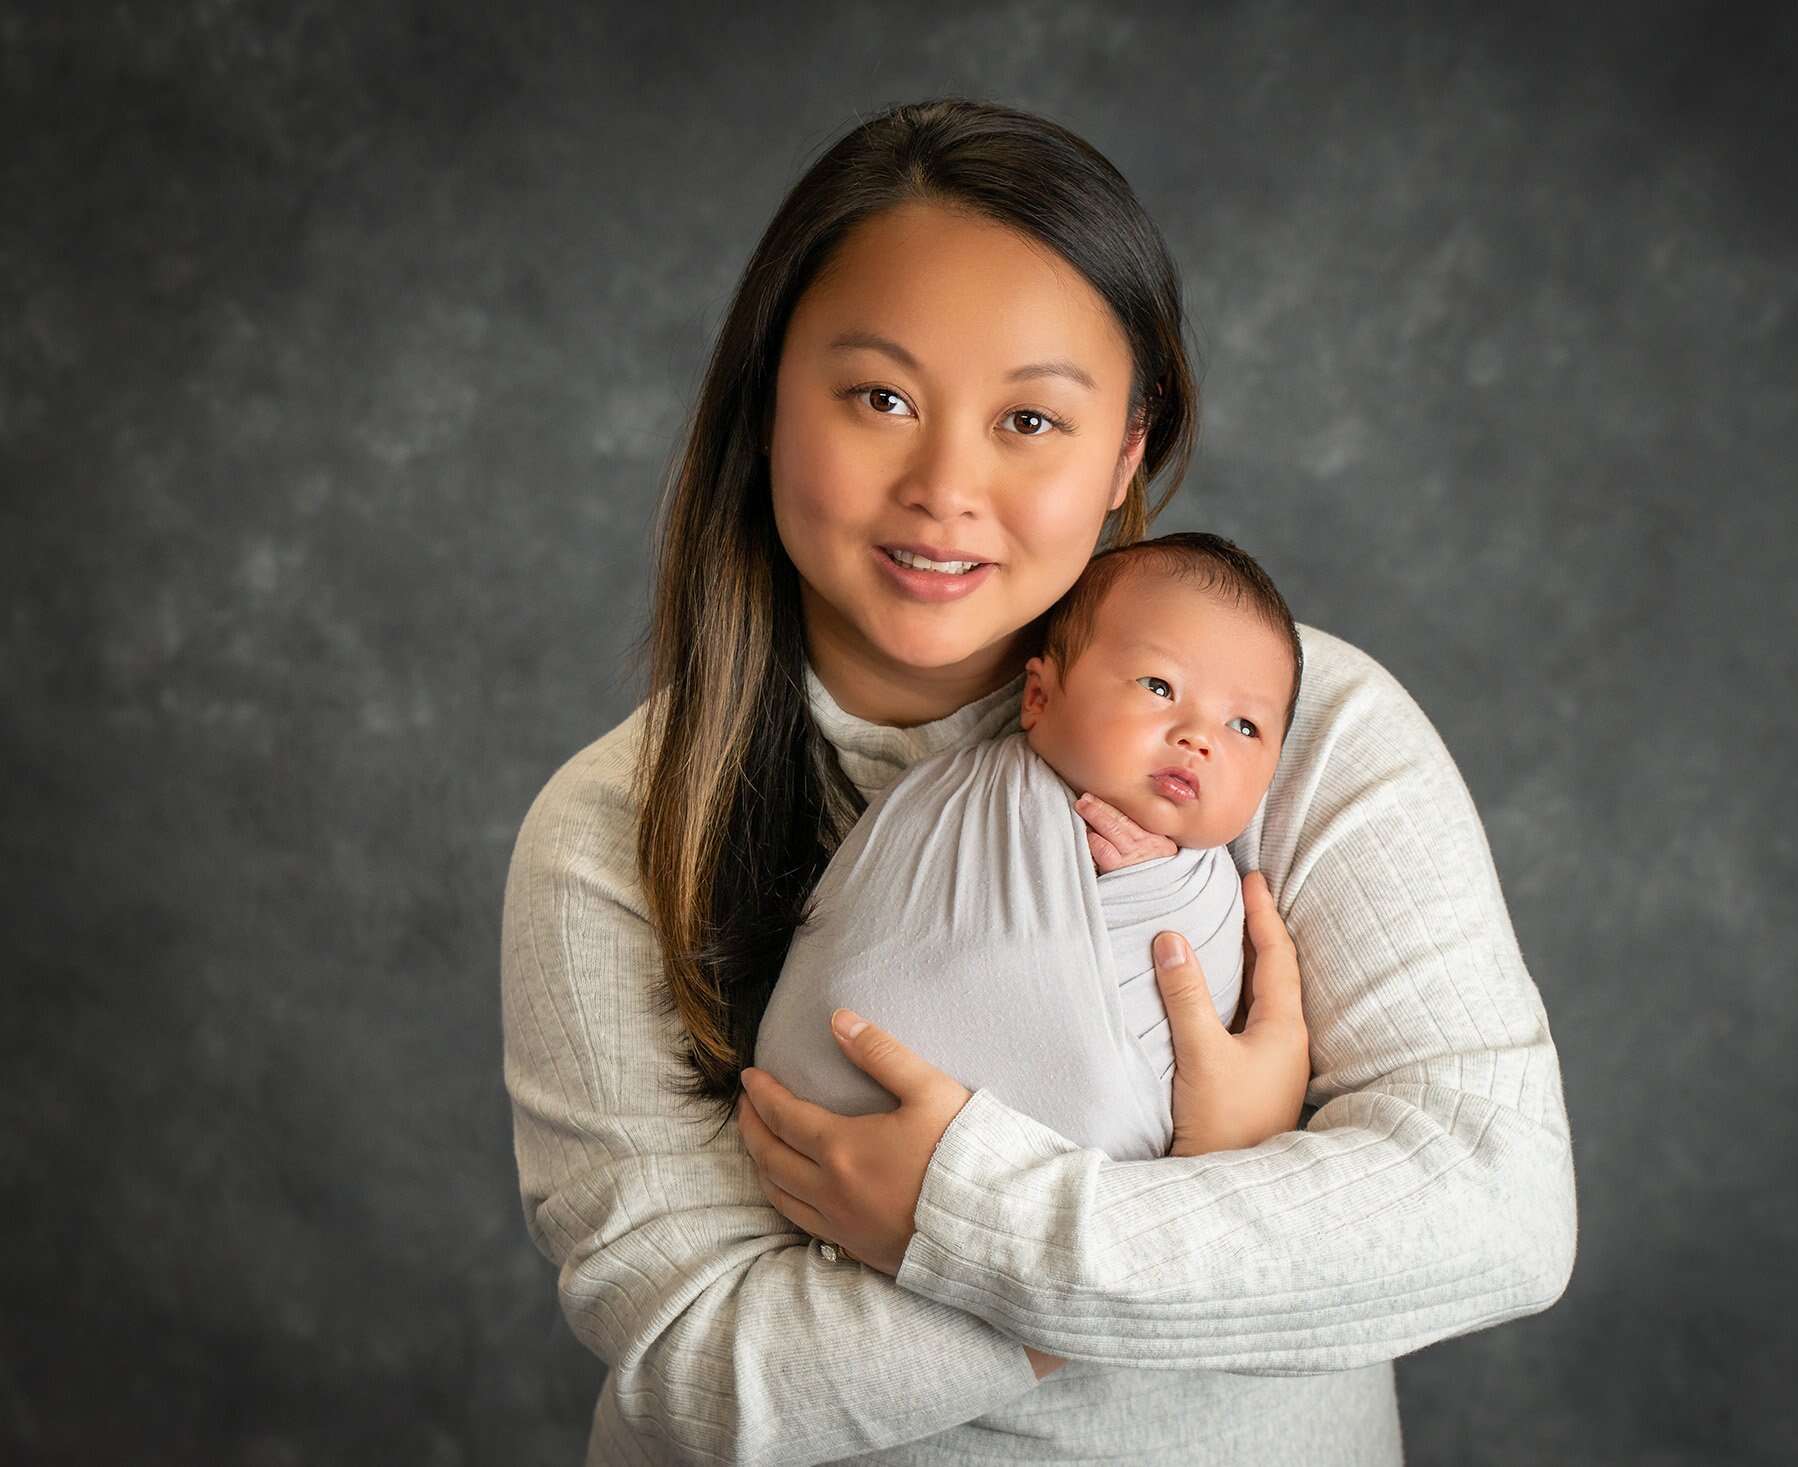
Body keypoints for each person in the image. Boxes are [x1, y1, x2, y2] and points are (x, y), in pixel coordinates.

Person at [500, 97, 1577, 1466]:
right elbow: (712, 1383)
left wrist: (976, 1225)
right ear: (767, 399)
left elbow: (1499, 1208)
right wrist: (1193, 1199)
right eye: (880, 397)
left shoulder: (1292, 730)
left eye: (1029, 418)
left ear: (1128, 450)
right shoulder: (616, 829)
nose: (947, 487)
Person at [754, 531, 1309, 1169]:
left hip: (1089, 1180)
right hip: (838, 1091)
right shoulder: (962, 795)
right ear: (1039, 697)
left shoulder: (1208, 892)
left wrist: (1155, 889)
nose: (1198, 738)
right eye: (1159, 687)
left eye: (1244, 726)